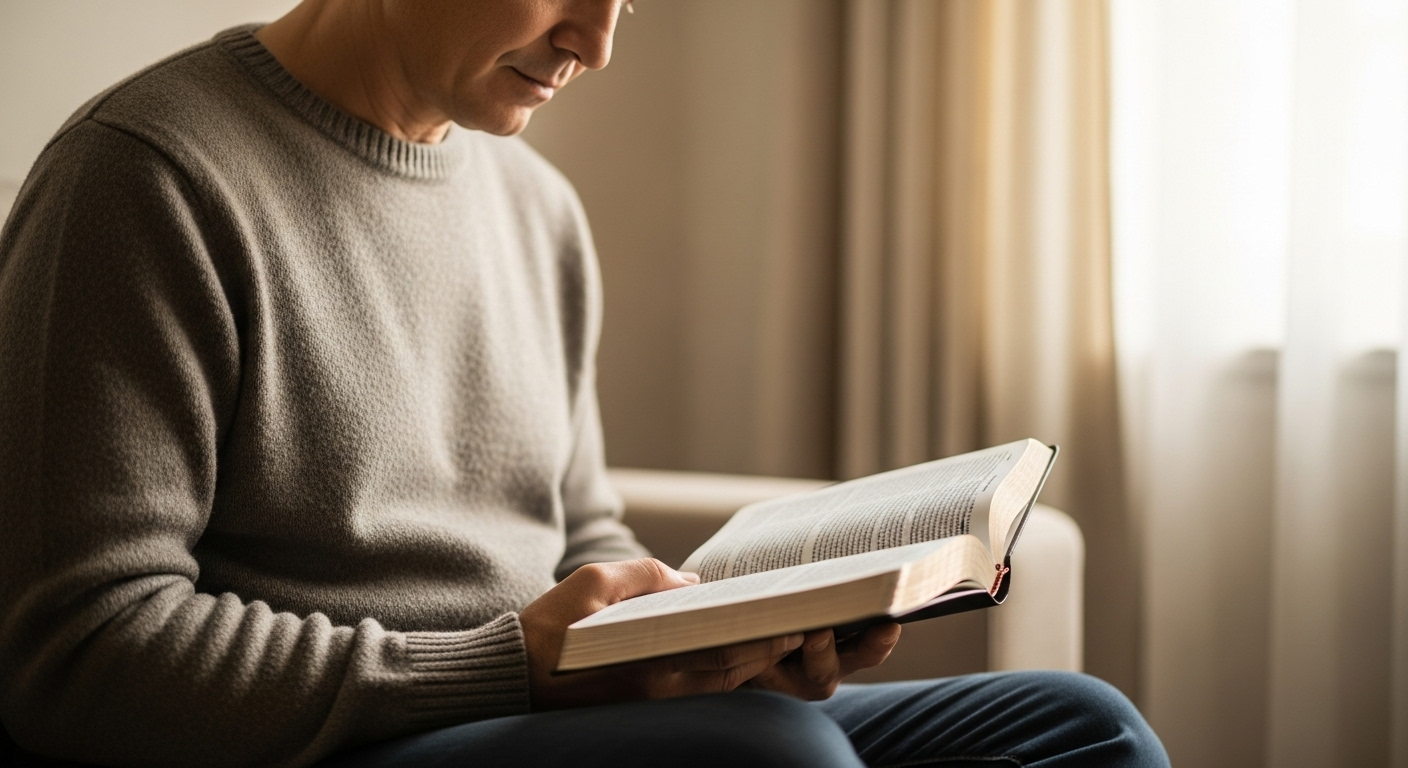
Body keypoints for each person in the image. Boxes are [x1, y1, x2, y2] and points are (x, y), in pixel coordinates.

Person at [0, 1, 1170, 766]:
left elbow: (575, 534)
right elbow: (81, 656)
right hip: (346, 740)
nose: (596, 42)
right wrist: (511, 665)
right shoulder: (145, 177)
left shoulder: (534, 207)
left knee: (1077, 729)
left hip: (528, 713)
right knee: (774, 758)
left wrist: (736, 636)